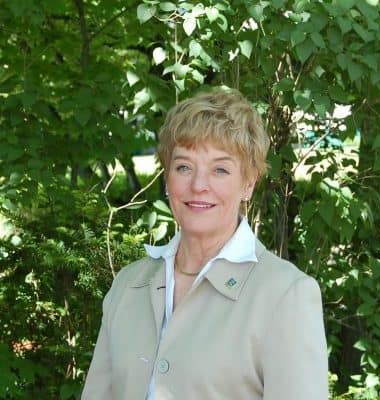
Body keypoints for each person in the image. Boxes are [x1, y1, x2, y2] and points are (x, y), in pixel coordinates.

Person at [81, 89, 328, 399]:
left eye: (220, 170)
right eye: (184, 167)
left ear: (248, 183)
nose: (198, 185)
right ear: (167, 176)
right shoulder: (128, 285)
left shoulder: (285, 294)